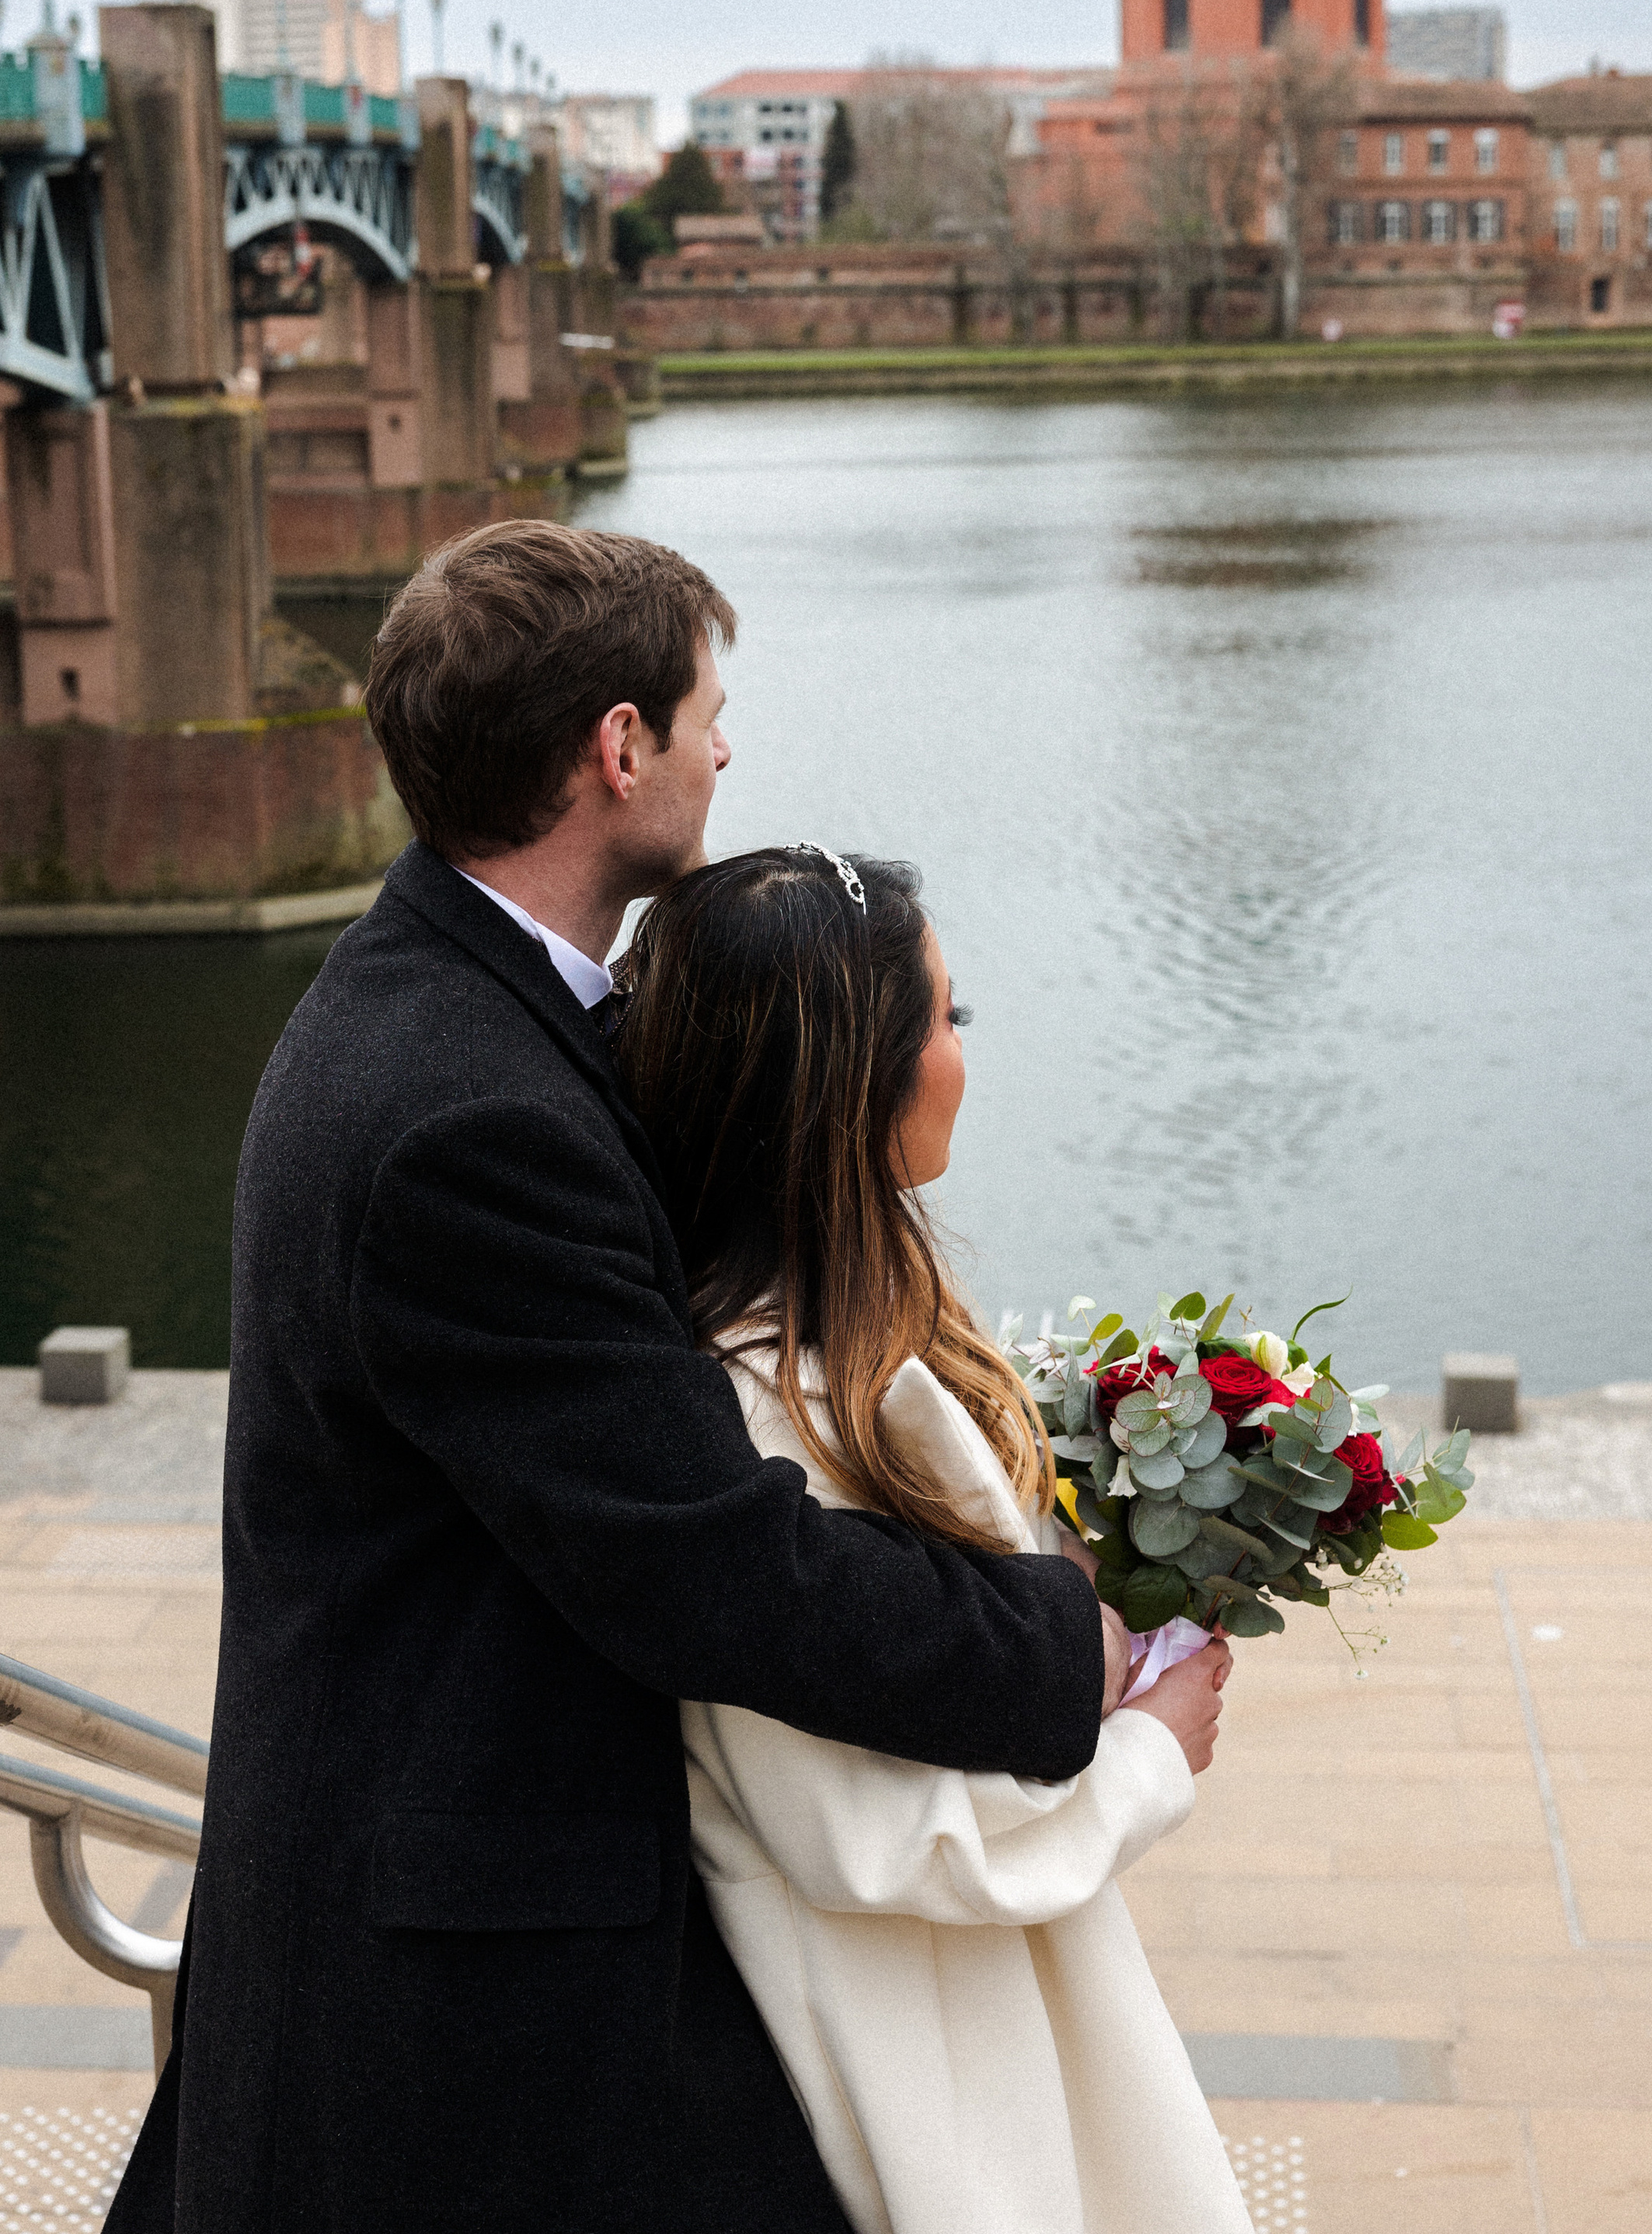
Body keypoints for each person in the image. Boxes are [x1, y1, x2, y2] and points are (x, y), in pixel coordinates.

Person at [107, 521, 1151, 2234]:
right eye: (705, 712)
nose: (725, 746)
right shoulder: (468, 1117)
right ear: (618, 747)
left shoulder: (446, 1005)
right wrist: (1067, 1651)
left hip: (443, 1885)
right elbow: (706, 1565)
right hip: (459, 1967)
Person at [614, 846, 1250, 2234]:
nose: (961, 1052)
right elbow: (874, 1842)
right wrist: (1150, 1754)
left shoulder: (861, 1336)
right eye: (944, 1019)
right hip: (917, 2072)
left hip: (974, 2024)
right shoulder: (761, 1409)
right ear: (853, 1079)